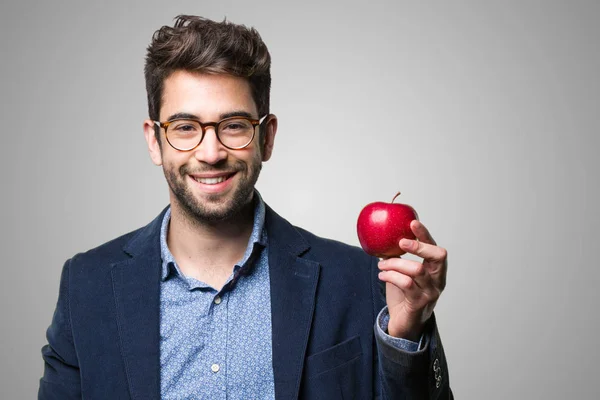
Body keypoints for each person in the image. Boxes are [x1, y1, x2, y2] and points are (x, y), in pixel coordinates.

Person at [39, 15, 452, 400]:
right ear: (154, 140)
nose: (211, 152)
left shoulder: (359, 280)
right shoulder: (85, 288)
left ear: (266, 138)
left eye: (234, 125)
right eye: (185, 128)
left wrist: (405, 333)